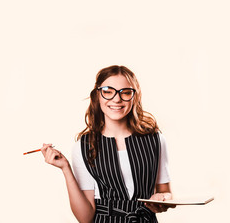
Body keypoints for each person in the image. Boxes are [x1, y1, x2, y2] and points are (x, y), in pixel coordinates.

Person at [41, 65, 174, 223]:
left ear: (135, 96)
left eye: (125, 92)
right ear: (97, 95)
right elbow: (85, 218)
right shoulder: (84, 146)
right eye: (108, 91)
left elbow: (166, 193)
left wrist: (163, 199)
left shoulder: (155, 139)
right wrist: (65, 168)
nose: (116, 99)